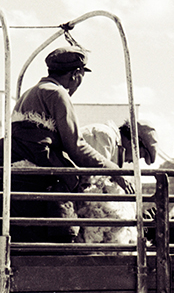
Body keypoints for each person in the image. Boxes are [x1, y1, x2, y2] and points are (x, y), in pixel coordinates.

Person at [5, 46, 134, 242]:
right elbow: (76, 147)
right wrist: (114, 171)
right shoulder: (57, 94)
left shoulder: (28, 93)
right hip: (40, 176)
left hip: (16, 176)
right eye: (81, 76)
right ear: (76, 74)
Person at [81, 120, 159, 167]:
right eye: (139, 155)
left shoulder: (112, 144)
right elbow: (96, 178)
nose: (133, 161)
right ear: (133, 143)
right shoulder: (106, 137)